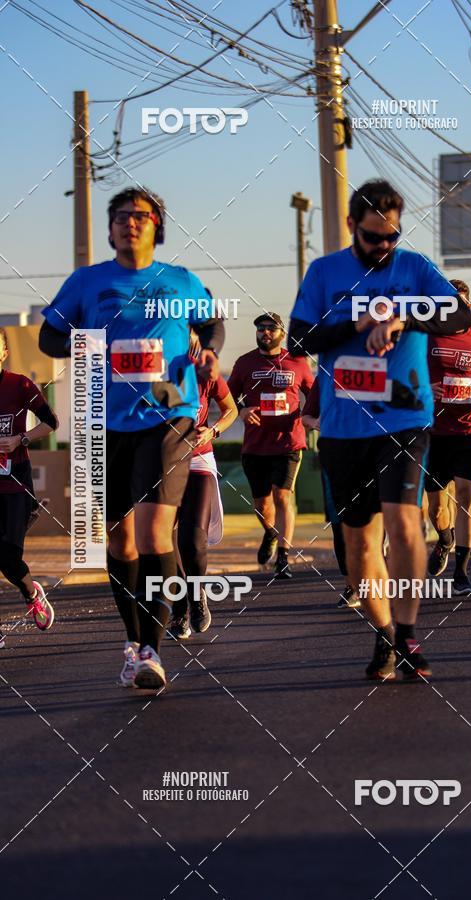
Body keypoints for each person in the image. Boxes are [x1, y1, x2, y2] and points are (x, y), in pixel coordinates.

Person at [39, 186, 223, 689]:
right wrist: (81, 342)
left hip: (169, 413)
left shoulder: (180, 280)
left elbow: (212, 324)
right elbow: (48, 335)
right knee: (119, 541)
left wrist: (208, 350)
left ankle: (152, 652)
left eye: (141, 216)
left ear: (156, 227)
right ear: (111, 227)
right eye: (121, 216)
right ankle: (133, 640)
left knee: (154, 534)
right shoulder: (88, 281)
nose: (130, 223)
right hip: (105, 418)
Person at [288, 179, 471, 681]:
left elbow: (459, 313)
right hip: (345, 424)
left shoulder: (414, 268)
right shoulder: (325, 272)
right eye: (373, 237)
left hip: (403, 418)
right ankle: (385, 633)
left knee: (404, 522)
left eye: (392, 236)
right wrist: (356, 323)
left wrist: (402, 317)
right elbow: (299, 338)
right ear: (352, 226)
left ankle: (407, 631)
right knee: (359, 545)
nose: (384, 246)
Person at [227, 312, 314, 579]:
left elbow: (315, 394)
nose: (265, 332)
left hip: (289, 442)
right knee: (262, 505)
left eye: (271, 328)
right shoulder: (245, 363)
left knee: (283, 496)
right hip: (255, 445)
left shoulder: (297, 361)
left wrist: (308, 417)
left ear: (281, 333)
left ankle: (283, 558)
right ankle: (270, 533)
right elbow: (227, 396)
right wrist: (242, 410)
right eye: (260, 328)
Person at [425, 280, 471, 595]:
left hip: (470, 429)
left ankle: (461, 572)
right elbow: (402, 374)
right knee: (437, 507)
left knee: (466, 495)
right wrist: (425, 389)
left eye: (461, 303)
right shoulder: (424, 336)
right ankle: (445, 538)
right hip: (434, 431)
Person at [169, 360, 238, 638]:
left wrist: (213, 430)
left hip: (199, 460)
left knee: (193, 540)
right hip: (160, 464)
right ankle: (179, 611)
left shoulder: (205, 370)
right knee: (164, 541)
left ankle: (196, 592)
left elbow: (231, 409)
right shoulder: (149, 370)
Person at [0, 328, 59, 648]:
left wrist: (20, 439)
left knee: (9, 556)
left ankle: (32, 595)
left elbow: (51, 422)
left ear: (4, 352)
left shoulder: (19, 385)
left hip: (16, 481)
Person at [301, 378, 359, 608]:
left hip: (369, 455)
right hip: (333, 457)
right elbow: (306, 417)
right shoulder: (325, 376)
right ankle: (351, 586)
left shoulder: (377, 366)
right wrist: (316, 422)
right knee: (340, 523)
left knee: (371, 522)